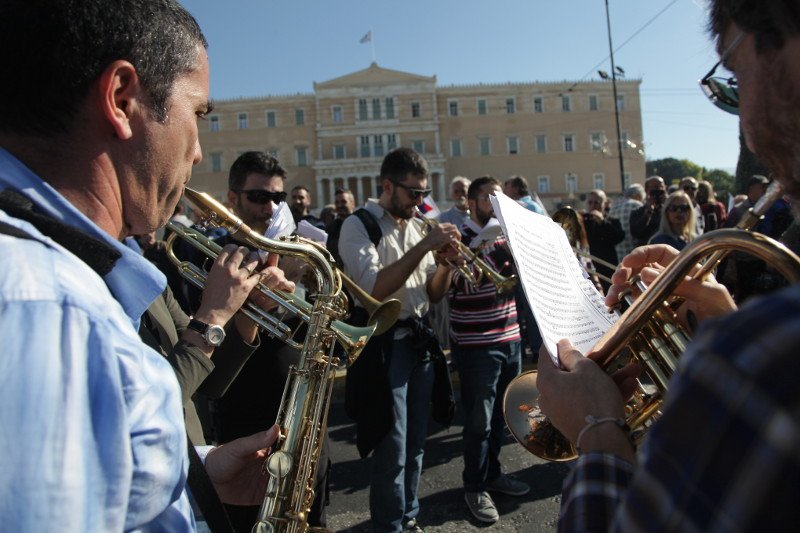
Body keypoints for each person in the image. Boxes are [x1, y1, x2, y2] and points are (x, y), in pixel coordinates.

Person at [0, 1, 279, 530]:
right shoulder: (50, 311)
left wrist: (189, 473)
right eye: (196, 114)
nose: (197, 152)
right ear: (122, 99)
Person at [537, 2, 800, 530]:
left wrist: (599, 431)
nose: (744, 124)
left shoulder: (766, 352)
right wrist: (727, 325)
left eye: (734, 77)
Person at [194, 151, 332, 531]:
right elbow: (204, 371)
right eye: (258, 197)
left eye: (278, 198)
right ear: (232, 199)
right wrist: (247, 310)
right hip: (244, 422)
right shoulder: (205, 256)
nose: (270, 208)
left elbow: (319, 334)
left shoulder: (295, 252)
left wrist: (303, 287)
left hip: (302, 416)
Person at [338, 147, 461, 533]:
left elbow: (434, 293)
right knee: (391, 446)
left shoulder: (417, 225)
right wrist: (425, 246)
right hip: (384, 344)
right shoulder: (358, 225)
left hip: (419, 339)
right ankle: (389, 524)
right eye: (413, 193)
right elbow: (372, 289)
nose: (420, 202)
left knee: (417, 441)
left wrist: (445, 266)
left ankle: (409, 516)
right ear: (388, 186)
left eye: (424, 194)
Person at [448, 176, 529, 524]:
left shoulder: (505, 237)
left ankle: (493, 474)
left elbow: (520, 285)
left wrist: (520, 252)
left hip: (509, 337)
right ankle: (474, 485)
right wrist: (480, 250)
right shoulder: (458, 239)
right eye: (487, 197)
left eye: (497, 197)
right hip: (476, 345)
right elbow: (459, 288)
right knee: (479, 421)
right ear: (470, 202)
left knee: (501, 417)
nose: (494, 202)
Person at [583, 189, 624, 291]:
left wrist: (602, 222)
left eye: (597, 202)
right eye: (590, 202)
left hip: (606, 269)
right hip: (588, 268)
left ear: (604, 204)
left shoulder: (612, 221)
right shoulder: (582, 221)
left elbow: (619, 237)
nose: (593, 206)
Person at [608, 183, 644, 261]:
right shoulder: (638, 205)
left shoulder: (614, 206)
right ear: (638, 196)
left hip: (618, 255)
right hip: (635, 254)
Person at [629, 175, 667, 247]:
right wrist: (648, 213)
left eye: (662, 187)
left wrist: (667, 205)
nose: (659, 189)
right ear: (646, 190)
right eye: (655, 187)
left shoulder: (672, 210)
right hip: (647, 250)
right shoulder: (637, 212)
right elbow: (636, 233)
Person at [326, 188, 356, 267]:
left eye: (343, 202)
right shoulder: (330, 228)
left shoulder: (360, 225)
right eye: (337, 202)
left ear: (352, 203)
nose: (340, 205)